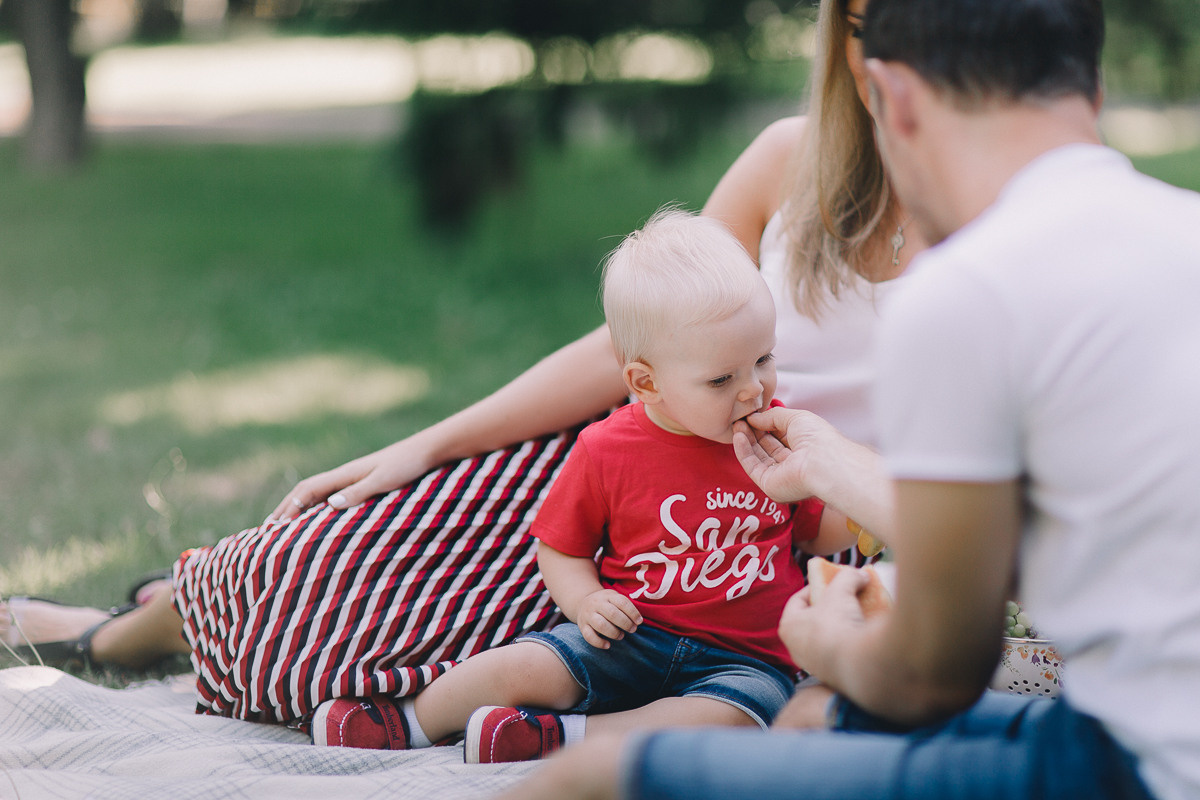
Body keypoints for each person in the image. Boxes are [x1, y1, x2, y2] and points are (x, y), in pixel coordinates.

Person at [0, 0, 906, 727]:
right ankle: (128, 629)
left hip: (786, 533)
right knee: (327, 555)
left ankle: (171, 614)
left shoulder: (984, 227)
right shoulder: (789, 157)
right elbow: (642, 343)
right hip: (640, 458)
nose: (882, 59)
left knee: (354, 664)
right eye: (862, 26)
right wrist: (430, 445)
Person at [494, 0, 1200, 798]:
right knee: (812, 721)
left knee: (590, 780)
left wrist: (822, 642)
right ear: (1093, 87)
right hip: (1130, 716)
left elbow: (930, 676)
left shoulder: (965, 293)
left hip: (1145, 765)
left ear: (889, 96)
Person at [308, 208, 861, 760]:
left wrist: (866, 510)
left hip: (745, 659)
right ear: (646, 382)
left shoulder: (776, 440)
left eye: (763, 359)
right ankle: (410, 721)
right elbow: (561, 547)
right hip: (628, 636)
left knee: (737, 718)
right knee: (522, 664)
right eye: (721, 379)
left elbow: (815, 534)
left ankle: (555, 738)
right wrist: (586, 600)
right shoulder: (607, 449)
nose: (753, 390)